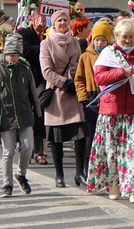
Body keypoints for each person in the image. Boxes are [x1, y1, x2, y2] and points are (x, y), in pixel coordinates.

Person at [86, 18, 134, 203]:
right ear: (117, 36)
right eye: (125, 37)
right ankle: (114, 185)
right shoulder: (108, 53)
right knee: (112, 151)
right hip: (111, 110)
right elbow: (100, 78)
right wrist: (122, 72)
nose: (128, 40)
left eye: (132, 37)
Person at [0, 33, 40, 198]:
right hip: (6, 117)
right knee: (8, 152)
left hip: (25, 115)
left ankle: (21, 174)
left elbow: (32, 93)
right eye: (11, 55)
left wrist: (37, 114)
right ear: (5, 54)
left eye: (17, 55)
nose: (14, 58)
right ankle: (6, 184)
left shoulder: (25, 68)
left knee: (28, 146)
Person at [40, 10, 87, 188]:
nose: (62, 23)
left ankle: (80, 172)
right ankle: (59, 175)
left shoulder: (75, 42)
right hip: (56, 93)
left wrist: (75, 81)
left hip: (74, 91)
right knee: (57, 137)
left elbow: (79, 64)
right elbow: (46, 70)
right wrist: (63, 82)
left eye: (65, 20)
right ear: (53, 23)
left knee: (80, 134)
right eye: (59, 20)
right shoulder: (46, 44)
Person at [74, 18, 113, 178]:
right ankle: (88, 170)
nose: (99, 42)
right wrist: (83, 98)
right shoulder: (85, 56)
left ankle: (105, 171)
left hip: (108, 97)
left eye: (103, 39)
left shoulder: (112, 55)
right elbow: (79, 79)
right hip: (91, 98)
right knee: (91, 137)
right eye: (97, 39)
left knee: (107, 139)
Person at [18, 14, 48, 165]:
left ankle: (40, 152)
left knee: (40, 117)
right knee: (28, 118)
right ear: (32, 20)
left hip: (43, 82)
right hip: (28, 81)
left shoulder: (48, 35)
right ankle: (26, 149)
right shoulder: (24, 34)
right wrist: (45, 47)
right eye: (40, 20)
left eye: (45, 20)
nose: (42, 23)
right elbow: (25, 51)